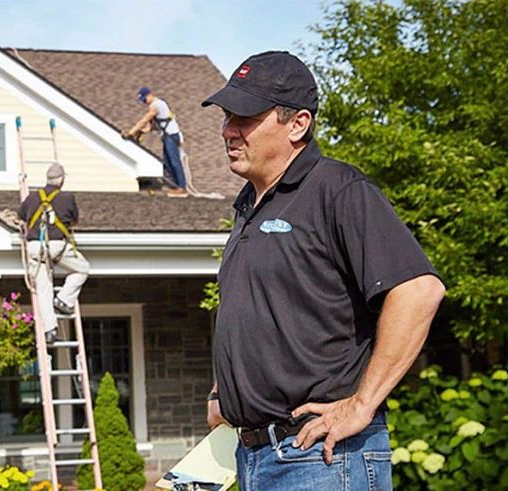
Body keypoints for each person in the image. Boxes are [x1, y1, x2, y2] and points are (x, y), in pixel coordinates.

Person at [201, 51, 446, 490]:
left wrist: (361, 404)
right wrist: (225, 392)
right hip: (252, 456)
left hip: (322, 458)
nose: (229, 130)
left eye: (245, 117)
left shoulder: (337, 189)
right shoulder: (248, 206)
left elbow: (418, 291)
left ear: (298, 124)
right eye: (226, 116)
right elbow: (253, 309)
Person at [18, 162, 90, 344]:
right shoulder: (67, 197)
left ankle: (50, 329)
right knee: (82, 268)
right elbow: (74, 221)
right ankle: (64, 299)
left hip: (34, 247)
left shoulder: (33, 197)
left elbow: (20, 216)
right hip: (56, 246)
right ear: (61, 179)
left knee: (43, 288)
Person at [125, 87, 188, 196]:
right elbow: (153, 126)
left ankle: (182, 187)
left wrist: (131, 132)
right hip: (167, 136)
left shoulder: (157, 104)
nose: (144, 102)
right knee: (167, 163)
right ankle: (176, 186)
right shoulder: (156, 106)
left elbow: (145, 119)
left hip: (171, 136)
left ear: (150, 95)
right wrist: (141, 131)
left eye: (144, 99)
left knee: (174, 162)